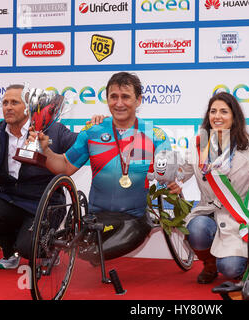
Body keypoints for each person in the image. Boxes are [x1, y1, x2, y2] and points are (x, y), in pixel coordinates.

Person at [31, 72, 172, 263]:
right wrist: (45, 149)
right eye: (114, 97)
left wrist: (171, 179)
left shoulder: (155, 134)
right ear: (107, 99)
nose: (119, 103)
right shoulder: (93, 130)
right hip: (97, 217)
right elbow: (64, 167)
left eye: (126, 97)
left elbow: (168, 172)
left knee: (95, 254)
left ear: (138, 100)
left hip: (134, 219)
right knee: (85, 251)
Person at [0, 84, 78, 269]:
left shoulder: (53, 130)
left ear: (28, 107)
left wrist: (97, 128)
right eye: (5, 103)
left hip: (45, 203)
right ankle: (11, 250)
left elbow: (81, 145)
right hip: (11, 200)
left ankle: (46, 250)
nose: (8, 107)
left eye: (14, 102)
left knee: (29, 248)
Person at [168, 92, 249, 284]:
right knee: (196, 229)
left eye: (223, 111)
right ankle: (209, 265)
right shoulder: (200, 145)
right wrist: (172, 179)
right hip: (207, 211)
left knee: (229, 268)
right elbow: (180, 172)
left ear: (234, 117)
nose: (217, 116)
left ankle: (237, 263)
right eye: (213, 111)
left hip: (236, 217)